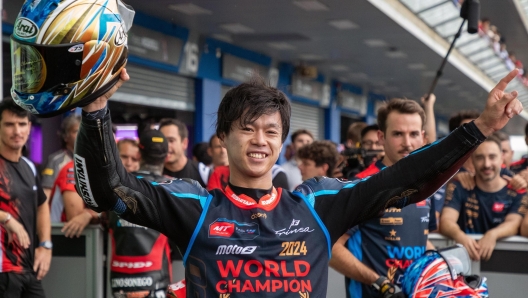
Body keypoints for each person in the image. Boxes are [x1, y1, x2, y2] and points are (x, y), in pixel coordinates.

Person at [73, 68, 522, 297]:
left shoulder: (317, 204)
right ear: (223, 138)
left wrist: (480, 126)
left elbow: (406, 180)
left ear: (283, 142)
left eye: (271, 131)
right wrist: (95, 110)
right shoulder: (196, 205)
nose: (259, 140)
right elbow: (109, 190)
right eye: (247, 128)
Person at [330, 98, 436, 298]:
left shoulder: (427, 184)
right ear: (381, 137)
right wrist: (378, 282)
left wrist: (441, 265)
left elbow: (420, 240)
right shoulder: (361, 185)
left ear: (423, 137)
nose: (407, 143)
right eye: (398, 134)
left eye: (413, 134)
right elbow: (331, 248)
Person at [440, 136, 528, 261]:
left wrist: (493, 235)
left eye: (492, 157)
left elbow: (514, 223)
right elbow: (446, 221)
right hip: (464, 264)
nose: (487, 164)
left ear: (501, 158)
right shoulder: (459, 186)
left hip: (505, 265)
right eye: (480, 158)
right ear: (472, 161)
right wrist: (460, 236)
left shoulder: (516, 191)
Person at [109, 130, 172, 298]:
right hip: (155, 278)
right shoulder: (173, 188)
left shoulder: (116, 185)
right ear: (166, 157)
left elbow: (102, 217)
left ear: (138, 153)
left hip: (120, 280)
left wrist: (87, 215)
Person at [0, 98, 51, 297]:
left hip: (28, 269)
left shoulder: (29, 166)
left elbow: (42, 205)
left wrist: (46, 244)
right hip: (3, 271)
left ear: (29, 127)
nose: (17, 131)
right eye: (9, 125)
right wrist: (6, 218)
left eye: (22, 124)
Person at [48, 160, 99, 238]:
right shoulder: (74, 169)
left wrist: (91, 214)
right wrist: (92, 214)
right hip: (60, 236)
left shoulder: (105, 174)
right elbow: (75, 217)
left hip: (86, 239)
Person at [159, 118, 209, 188]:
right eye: (162, 140)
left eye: (171, 140)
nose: (165, 145)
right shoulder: (152, 171)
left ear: (184, 143)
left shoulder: (203, 173)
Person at [41, 114, 80, 199]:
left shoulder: (89, 161)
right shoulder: (55, 160)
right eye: (76, 131)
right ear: (65, 136)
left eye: (83, 131)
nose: (81, 135)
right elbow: (46, 193)